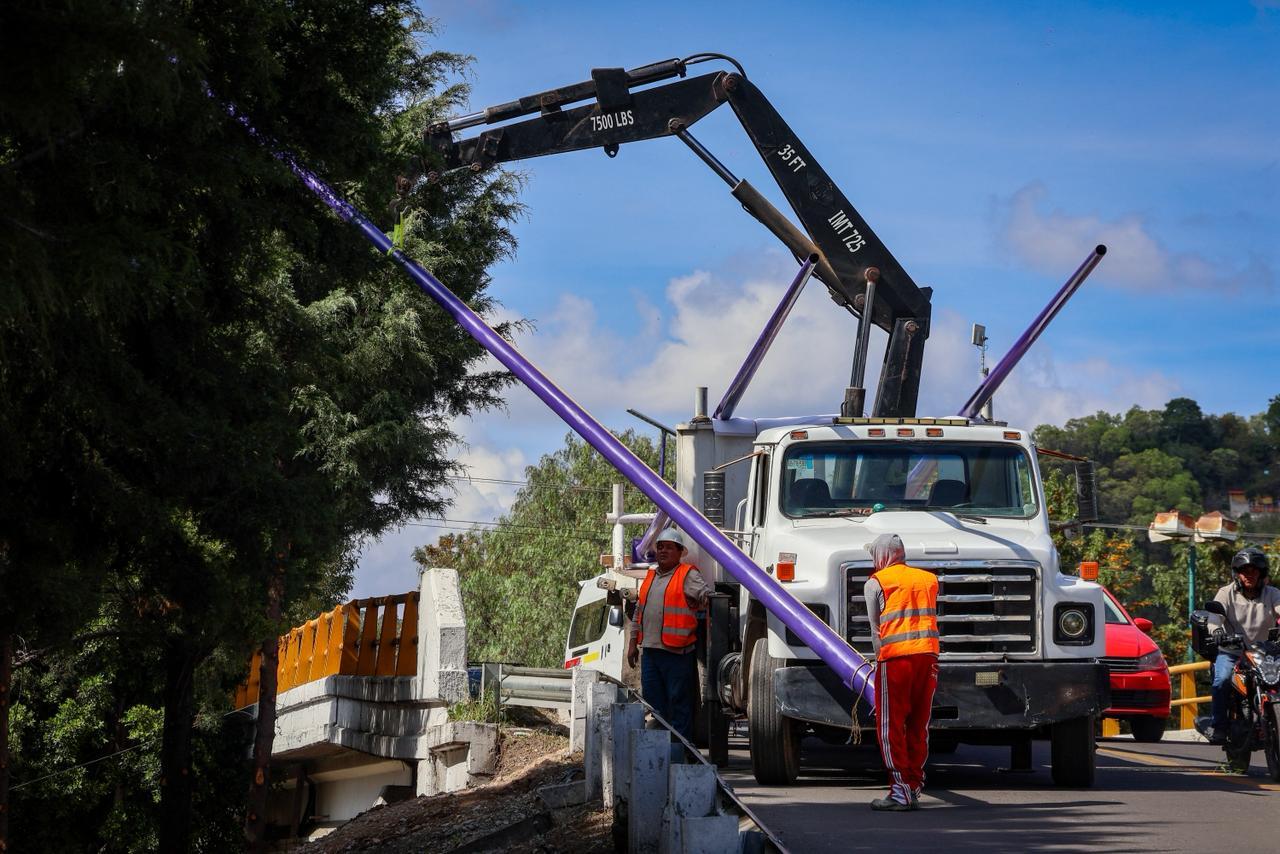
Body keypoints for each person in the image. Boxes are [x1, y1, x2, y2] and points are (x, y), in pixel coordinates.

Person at [864, 533, 939, 811]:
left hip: (895, 661)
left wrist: (878, 661)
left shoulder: (876, 583)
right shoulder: (929, 579)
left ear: (882, 555)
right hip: (928, 658)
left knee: (890, 727)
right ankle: (914, 785)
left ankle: (899, 790)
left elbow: (876, 632)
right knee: (919, 725)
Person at [625, 528, 711, 741]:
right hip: (652, 653)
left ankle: (680, 751)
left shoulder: (688, 574)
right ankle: (659, 751)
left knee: (679, 703)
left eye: (668, 547)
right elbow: (639, 612)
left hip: (678, 654)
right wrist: (632, 643)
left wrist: (706, 601)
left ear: (680, 551)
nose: (663, 551)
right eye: (660, 546)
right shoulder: (651, 576)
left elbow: (706, 597)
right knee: (655, 704)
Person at [1207, 547, 1280, 744]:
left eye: (1254, 571)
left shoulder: (1272, 594)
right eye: (1244, 571)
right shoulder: (1226, 593)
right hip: (1232, 651)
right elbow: (1214, 618)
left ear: (1261, 573)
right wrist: (1218, 632)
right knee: (1221, 680)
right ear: (1237, 573)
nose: (1249, 575)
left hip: (1265, 653)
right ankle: (1219, 726)